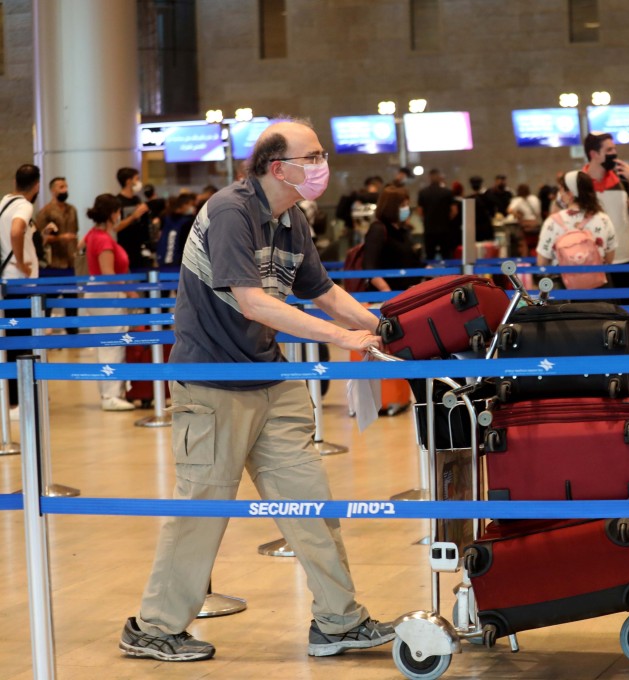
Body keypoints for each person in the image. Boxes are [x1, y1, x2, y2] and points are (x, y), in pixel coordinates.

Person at [119, 119, 394, 662]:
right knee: (203, 508)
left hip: (271, 378)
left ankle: (339, 620)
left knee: (311, 503)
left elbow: (326, 292)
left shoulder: (291, 220)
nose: (322, 165)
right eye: (311, 156)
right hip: (212, 382)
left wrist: (386, 331)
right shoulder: (230, 211)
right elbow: (253, 301)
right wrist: (345, 339)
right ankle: (154, 625)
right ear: (278, 167)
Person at [81, 194, 137, 411]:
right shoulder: (104, 239)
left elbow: (80, 246)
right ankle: (110, 395)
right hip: (107, 296)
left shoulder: (93, 234)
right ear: (114, 213)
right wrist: (130, 293)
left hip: (98, 295)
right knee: (112, 346)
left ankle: (111, 393)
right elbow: (108, 275)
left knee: (107, 345)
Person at [581, 133, 629, 301]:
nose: (614, 153)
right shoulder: (578, 183)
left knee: (628, 314)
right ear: (594, 154)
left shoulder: (623, 181)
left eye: (615, 149)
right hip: (591, 262)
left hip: (626, 258)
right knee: (597, 315)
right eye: (609, 149)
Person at [0, 164, 42, 414]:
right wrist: (20, 261)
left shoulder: (4, 202)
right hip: (21, 283)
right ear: (36, 185)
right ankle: (17, 402)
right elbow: (17, 230)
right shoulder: (24, 206)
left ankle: (11, 398)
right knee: (23, 343)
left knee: (11, 341)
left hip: (8, 282)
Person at [536, 170, 616, 271]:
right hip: (599, 283)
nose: (560, 194)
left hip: (564, 284)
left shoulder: (552, 222)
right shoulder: (604, 219)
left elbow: (542, 261)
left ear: (570, 194)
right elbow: (609, 259)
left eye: (561, 190)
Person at [36, 176, 81, 333]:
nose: (65, 190)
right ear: (53, 190)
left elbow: (75, 232)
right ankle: (42, 335)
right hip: (52, 264)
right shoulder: (45, 212)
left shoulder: (72, 210)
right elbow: (40, 239)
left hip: (69, 263)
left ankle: (73, 335)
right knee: (48, 303)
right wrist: (61, 237)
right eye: (61, 187)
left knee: (71, 303)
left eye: (66, 186)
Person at [362, 185, 422, 292]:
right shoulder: (378, 229)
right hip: (387, 297)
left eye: (407, 205)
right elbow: (369, 267)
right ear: (391, 207)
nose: (407, 209)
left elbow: (410, 261)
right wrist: (387, 292)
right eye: (403, 205)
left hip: (407, 293)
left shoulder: (403, 231)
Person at [113, 167, 153, 271]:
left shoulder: (137, 199)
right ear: (128, 181)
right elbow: (116, 227)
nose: (138, 182)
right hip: (125, 246)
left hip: (140, 247)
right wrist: (133, 216)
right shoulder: (117, 201)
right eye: (136, 179)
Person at [416, 168, 455, 259]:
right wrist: (447, 219)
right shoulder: (447, 192)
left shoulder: (423, 193)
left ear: (429, 177)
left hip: (429, 229)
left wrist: (427, 218)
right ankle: (448, 273)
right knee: (446, 256)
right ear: (439, 177)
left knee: (430, 256)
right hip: (445, 229)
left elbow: (420, 211)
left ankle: (430, 273)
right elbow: (454, 211)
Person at [155, 192, 197, 272]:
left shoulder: (166, 217)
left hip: (169, 260)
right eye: (191, 205)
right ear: (184, 205)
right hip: (172, 261)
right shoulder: (184, 221)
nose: (193, 208)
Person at [508, 183, 541, 255]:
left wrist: (518, 215)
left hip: (525, 225)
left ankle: (524, 257)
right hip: (535, 225)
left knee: (523, 241)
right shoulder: (534, 198)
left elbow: (509, 210)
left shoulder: (517, 200)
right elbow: (538, 213)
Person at [467, 175, 494, 242]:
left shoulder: (468, 199)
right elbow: (492, 211)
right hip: (486, 227)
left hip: (474, 227)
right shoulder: (488, 196)